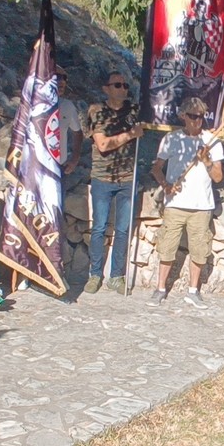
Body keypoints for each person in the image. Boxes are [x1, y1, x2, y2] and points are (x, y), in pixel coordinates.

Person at [147, 97, 224, 309]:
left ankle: (193, 291)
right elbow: (156, 167)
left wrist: (207, 160)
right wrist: (166, 185)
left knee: (199, 249)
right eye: (192, 116)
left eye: (200, 116)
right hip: (175, 203)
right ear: (183, 116)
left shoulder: (212, 140)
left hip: (202, 206)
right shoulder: (171, 139)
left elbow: (218, 178)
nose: (197, 120)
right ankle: (160, 288)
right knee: (167, 246)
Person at [83, 71, 143, 294]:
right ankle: (95, 274)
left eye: (125, 85)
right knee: (98, 228)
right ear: (106, 88)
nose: (123, 89)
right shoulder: (97, 111)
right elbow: (104, 145)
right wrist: (130, 134)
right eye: (117, 85)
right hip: (102, 178)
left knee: (123, 229)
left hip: (128, 178)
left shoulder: (135, 111)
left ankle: (117, 276)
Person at [55, 66, 83, 180]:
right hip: (35, 167)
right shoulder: (32, 107)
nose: (62, 81)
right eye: (57, 77)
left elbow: (78, 133)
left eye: (64, 78)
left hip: (59, 168)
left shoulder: (67, 106)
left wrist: (74, 160)